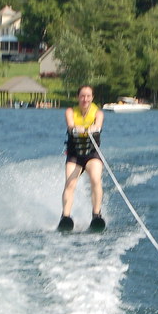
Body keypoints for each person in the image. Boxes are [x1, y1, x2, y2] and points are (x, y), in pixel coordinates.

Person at [58, 85, 105, 232]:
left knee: (95, 179)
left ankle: (96, 214)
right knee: (70, 183)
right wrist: (75, 128)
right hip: (75, 155)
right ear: (78, 97)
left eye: (88, 96)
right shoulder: (70, 112)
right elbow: (70, 125)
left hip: (92, 154)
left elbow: (98, 124)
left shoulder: (98, 113)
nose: (85, 99)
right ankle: (65, 216)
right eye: (82, 96)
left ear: (92, 98)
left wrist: (93, 128)